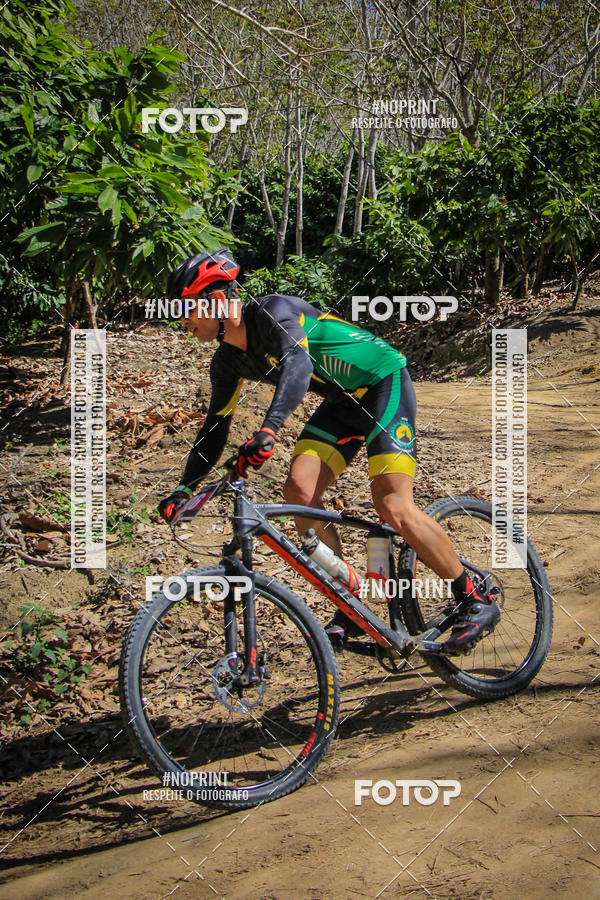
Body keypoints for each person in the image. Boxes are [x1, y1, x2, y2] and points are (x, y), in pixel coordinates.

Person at [158, 249, 500, 653]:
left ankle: (473, 597)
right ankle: (352, 604)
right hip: (342, 402)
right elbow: (215, 428)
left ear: (217, 300)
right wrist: (185, 488)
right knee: (299, 495)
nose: (182, 320)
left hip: (382, 383)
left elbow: (298, 365)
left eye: (187, 308)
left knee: (392, 505)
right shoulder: (226, 363)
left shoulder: (273, 312)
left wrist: (268, 431)